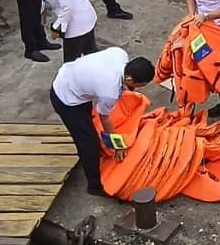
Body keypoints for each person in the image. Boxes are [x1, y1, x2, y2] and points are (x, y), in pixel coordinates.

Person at [50, 48, 155, 198]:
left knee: (88, 125)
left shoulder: (119, 54)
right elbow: (104, 117)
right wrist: (118, 146)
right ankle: (94, 186)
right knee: (88, 143)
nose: (140, 88)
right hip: (66, 99)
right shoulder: (109, 91)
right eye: (140, 85)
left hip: (71, 78)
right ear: (129, 79)